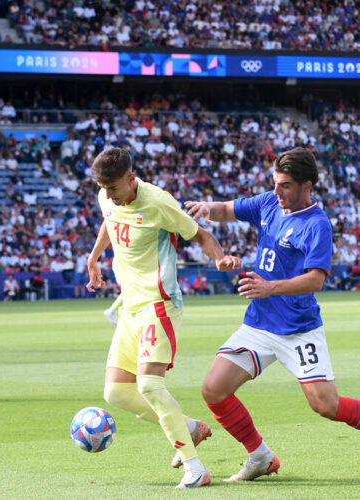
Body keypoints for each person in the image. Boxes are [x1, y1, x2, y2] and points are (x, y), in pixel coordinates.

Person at [184, 147, 360, 482]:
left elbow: (316, 279)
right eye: (275, 183)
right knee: (214, 389)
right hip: (259, 324)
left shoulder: (317, 224)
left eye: (286, 185)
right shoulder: (268, 202)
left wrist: (270, 287)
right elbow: (225, 209)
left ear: (307, 186)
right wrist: (207, 208)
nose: (277, 191)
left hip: (299, 329)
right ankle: (260, 456)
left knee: (326, 405)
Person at [84, 147, 241, 489]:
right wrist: (94, 257)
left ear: (130, 178)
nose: (107, 195)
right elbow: (109, 221)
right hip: (131, 308)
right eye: (103, 189)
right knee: (115, 393)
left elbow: (201, 235)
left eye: (113, 188)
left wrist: (219, 258)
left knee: (149, 385)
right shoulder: (106, 195)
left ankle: (195, 469)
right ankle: (190, 428)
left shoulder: (158, 202)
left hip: (160, 304)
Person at [102, 258, 123, 325]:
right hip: (122, 265)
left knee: (125, 294)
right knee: (127, 293)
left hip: (121, 265)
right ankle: (111, 310)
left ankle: (120, 318)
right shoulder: (119, 256)